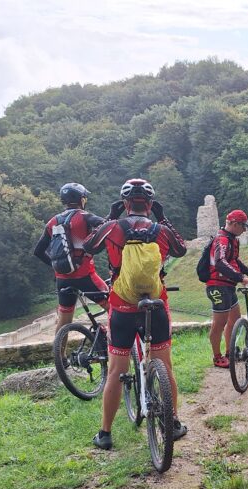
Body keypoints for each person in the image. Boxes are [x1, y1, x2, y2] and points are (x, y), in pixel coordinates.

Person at [83, 178, 188, 449]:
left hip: (122, 307)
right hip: (156, 304)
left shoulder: (112, 227)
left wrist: (110, 216)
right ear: (150, 205)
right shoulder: (160, 230)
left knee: (117, 371)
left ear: (125, 203)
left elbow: (88, 246)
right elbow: (181, 249)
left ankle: (105, 434)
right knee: (165, 366)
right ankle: (174, 423)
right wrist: (163, 219)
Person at [33, 183, 108, 334]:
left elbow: (38, 251)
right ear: (82, 199)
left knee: (64, 321)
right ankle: (114, 343)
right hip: (85, 276)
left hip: (62, 279)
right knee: (114, 307)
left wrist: (57, 266)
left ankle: (59, 349)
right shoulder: (85, 217)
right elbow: (108, 227)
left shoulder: (53, 221)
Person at [205, 210, 248, 368]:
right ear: (235, 224)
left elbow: (235, 261)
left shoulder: (232, 239)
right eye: (243, 226)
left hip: (228, 286)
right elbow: (220, 262)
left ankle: (230, 353)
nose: (245, 230)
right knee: (219, 324)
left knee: (234, 319)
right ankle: (217, 357)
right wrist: (241, 278)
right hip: (217, 286)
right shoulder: (222, 240)